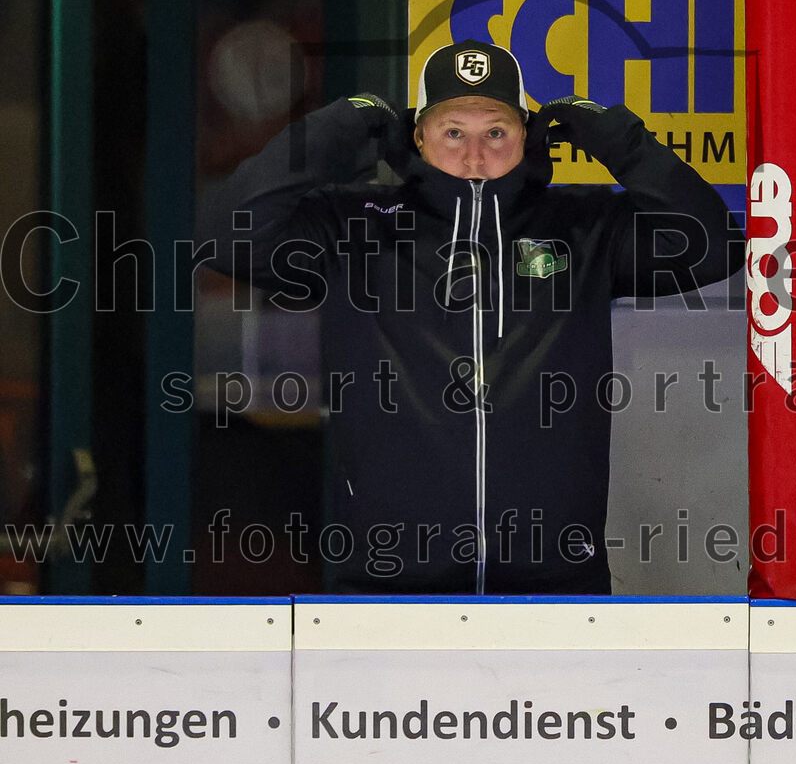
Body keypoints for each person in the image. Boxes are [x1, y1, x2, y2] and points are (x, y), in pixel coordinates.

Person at [200, 39, 743, 594]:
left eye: (496, 132)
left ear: (526, 136)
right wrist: (342, 124)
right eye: (453, 132)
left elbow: (711, 246)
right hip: (391, 578)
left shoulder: (582, 225)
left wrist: (618, 139)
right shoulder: (356, 227)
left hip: (556, 577)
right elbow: (226, 237)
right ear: (418, 137)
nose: (475, 156)